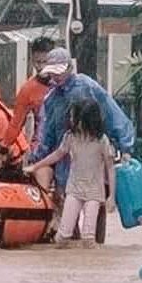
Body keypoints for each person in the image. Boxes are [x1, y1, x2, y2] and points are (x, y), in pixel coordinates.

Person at [30, 47, 135, 193]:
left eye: (60, 70)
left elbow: (113, 115)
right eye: (53, 72)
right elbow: (47, 133)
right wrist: (37, 159)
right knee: (68, 207)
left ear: (70, 68)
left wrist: (125, 148)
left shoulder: (87, 86)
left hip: (93, 161)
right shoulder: (52, 98)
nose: (56, 75)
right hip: (66, 169)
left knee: (95, 205)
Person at [24, 98, 116, 248]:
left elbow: (110, 168)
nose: (71, 120)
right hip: (74, 189)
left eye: (74, 117)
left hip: (94, 192)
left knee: (88, 238)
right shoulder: (70, 137)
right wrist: (35, 167)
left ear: (86, 119)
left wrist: (111, 196)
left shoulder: (101, 141)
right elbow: (57, 155)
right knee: (62, 237)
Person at [3, 36, 56, 149]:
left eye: (45, 62)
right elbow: (15, 124)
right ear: (32, 61)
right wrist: (3, 148)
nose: (41, 67)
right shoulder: (28, 89)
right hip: (42, 147)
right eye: (37, 62)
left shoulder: (67, 84)